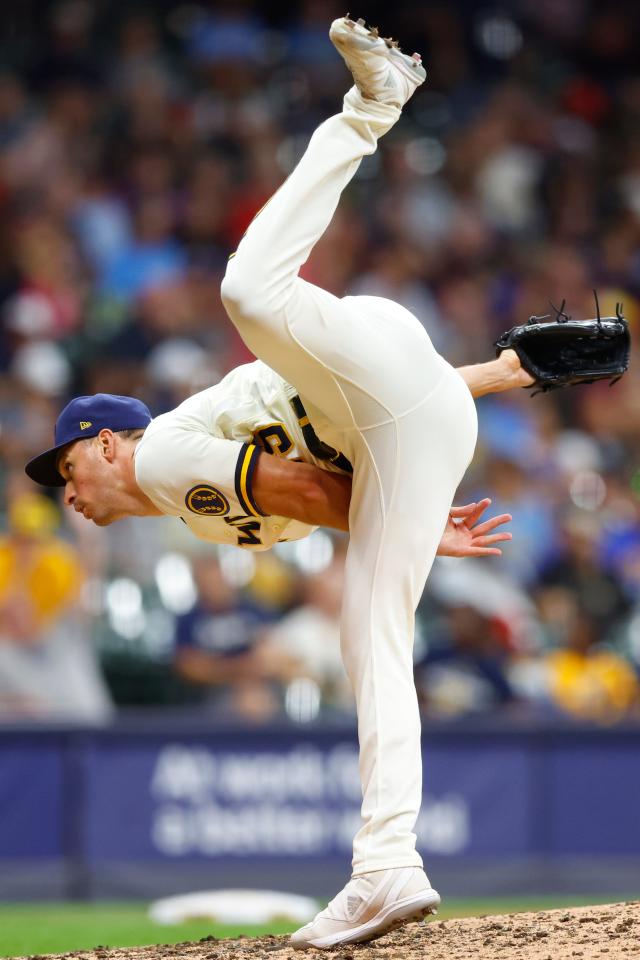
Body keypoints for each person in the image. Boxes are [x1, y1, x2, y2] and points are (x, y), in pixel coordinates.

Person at [25, 16, 533, 949]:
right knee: (373, 640)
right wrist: (496, 381)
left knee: (248, 293)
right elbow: (371, 414)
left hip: (378, 400)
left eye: (65, 470)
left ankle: (370, 108)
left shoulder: (164, 457)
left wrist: (403, 527)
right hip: (408, 411)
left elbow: (304, 486)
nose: (69, 496)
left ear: (101, 444)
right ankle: (387, 866)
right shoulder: (198, 511)